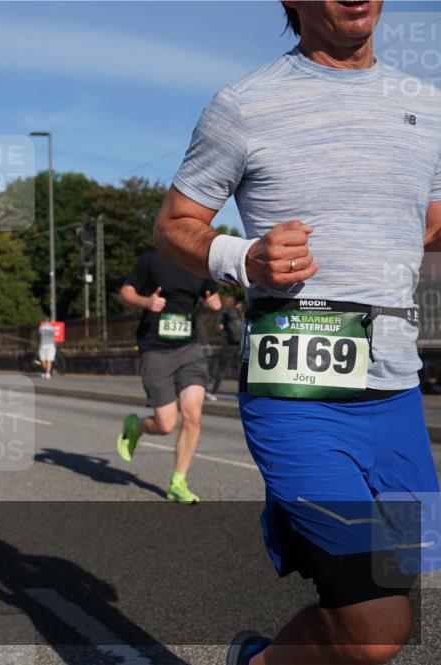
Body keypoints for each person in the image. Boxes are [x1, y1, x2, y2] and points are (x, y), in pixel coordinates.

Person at [153, 2, 441, 663]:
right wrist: (244, 257)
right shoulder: (244, 105)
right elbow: (174, 224)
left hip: (397, 392)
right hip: (298, 392)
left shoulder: (426, 104)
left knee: (381, 597)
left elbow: (427, 227)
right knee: (377, 625)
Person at [116, 248, 221, 503]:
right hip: (155, 348)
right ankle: (135, 427)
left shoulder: (200, 263)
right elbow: (125, 293)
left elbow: (213, 297)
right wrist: (146, 302)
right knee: (165, 424)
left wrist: (214, 305)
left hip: (189, 348)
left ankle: (178, 482)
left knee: (193, 414)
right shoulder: (151, 259)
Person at [208, 296, 243, 399]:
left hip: (228, 344)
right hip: (238, 344)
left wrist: (225, 335)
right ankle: (240, 393)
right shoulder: (240, 314)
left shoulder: (225, 312)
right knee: (239, 369)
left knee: (222, 368)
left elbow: (218, 328)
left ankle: (213, 392)